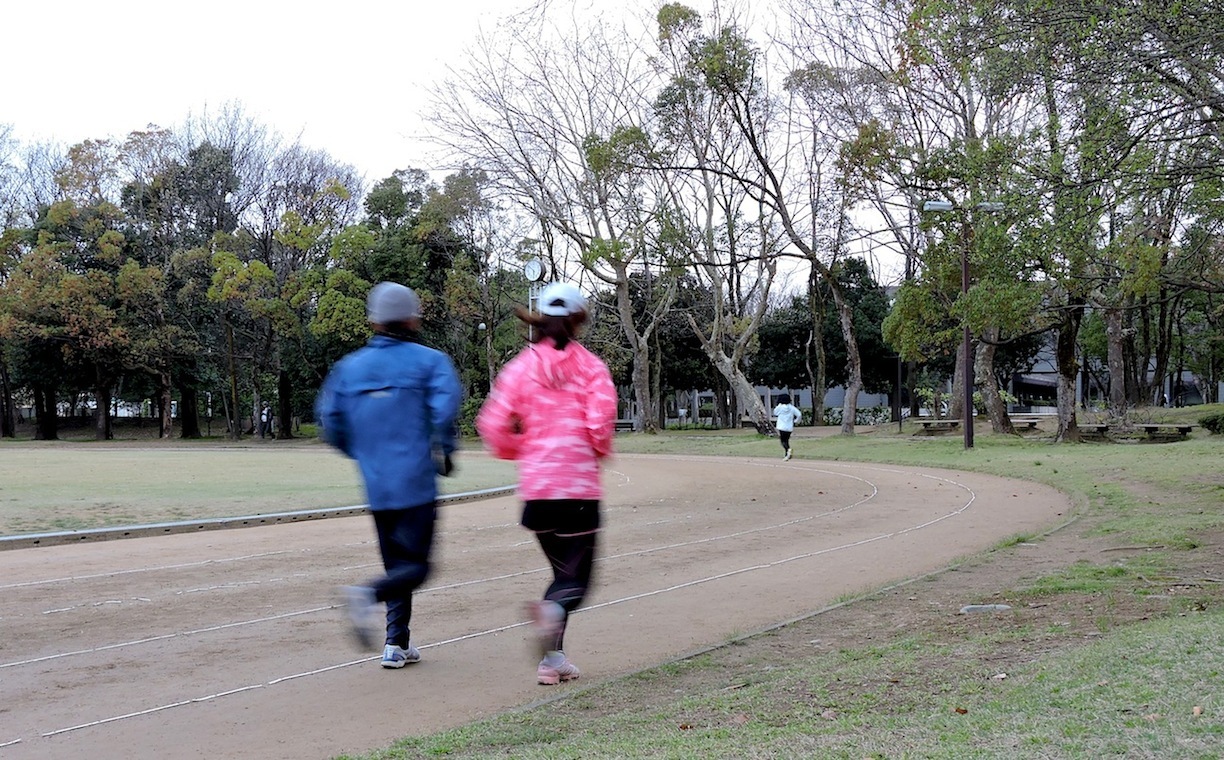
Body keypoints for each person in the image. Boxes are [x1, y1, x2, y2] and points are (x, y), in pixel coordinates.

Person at [475, 282, 617, 686]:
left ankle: (552, 662)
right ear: (577, 321)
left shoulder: (519, 368)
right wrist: (596, 451)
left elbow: (491, 424)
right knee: (576, 582)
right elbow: (599, 426)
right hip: (577, 491)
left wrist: (521, 450)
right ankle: (551, 626)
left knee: (561, 577)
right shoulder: (591, 368)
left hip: (537, 493)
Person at [315, 282, 461, 669]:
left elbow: (331, 424)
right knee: (418, 568)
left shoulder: (348, 368)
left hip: (376, 483)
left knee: (397, 565)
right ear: (412, 319)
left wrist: (364, 454)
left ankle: (396, 644)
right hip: (415, 481)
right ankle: (365, 595)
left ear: (373, 321)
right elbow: (443, 414)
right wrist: (444, 451)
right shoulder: (431, 362)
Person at [773, 394, 803, 461]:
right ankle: (787, 454)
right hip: (789, 427)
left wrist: (779, 405)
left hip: (781, 426)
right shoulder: (792, 408)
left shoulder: (780, 407)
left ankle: (788, 450)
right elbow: (799, 414)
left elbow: (775, 412)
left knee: (783, 441)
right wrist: (796, 421)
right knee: (786, 440)